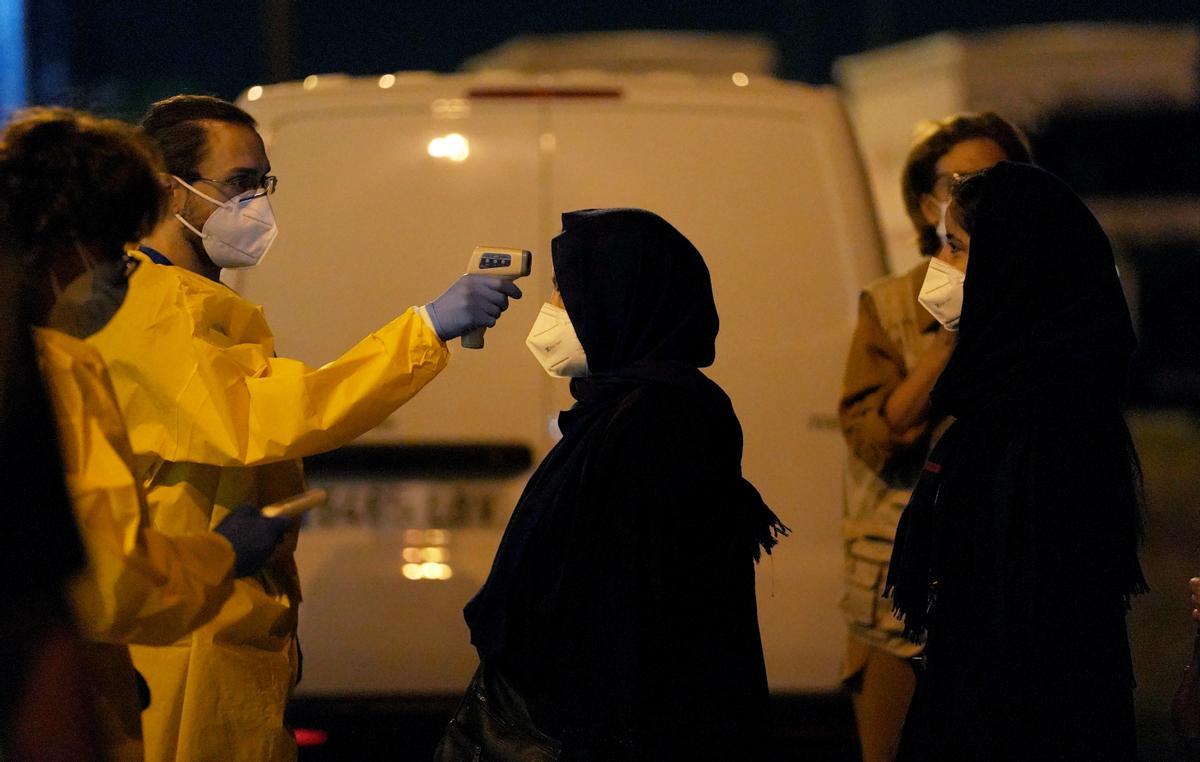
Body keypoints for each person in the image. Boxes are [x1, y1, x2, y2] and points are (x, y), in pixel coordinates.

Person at [86, 94, 521, 761]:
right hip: (187, 642)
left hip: (219, 630)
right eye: (238, 184)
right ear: (167, 190)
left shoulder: (188, 301)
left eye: (264, 183)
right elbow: (265, 415)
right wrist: (427, 328)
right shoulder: (155, 304)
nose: (257, 204)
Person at [442, 209, 787, 760]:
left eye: (562, 292)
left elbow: (626, 618)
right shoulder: (625, 410)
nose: (549, 312)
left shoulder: (656, 422)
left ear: (620, 297)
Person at [0, 107, 291, 759]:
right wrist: (218, 554)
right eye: (115, 250)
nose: (122, 274)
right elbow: (112, 583)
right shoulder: (51, 371)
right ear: (67, 242)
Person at [886, 162, 1148, 760]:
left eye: (956, 247)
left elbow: (1020, 637)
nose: (940, 267)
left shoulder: (1039, 424)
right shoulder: (1014, 400)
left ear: (1013, 264)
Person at [837, 111, 1032, 762]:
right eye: (960, 182)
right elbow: (875, 438)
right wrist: (948, 342)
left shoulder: (1046, 308)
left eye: (1000, 179)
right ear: (926, 208)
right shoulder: (892, 306)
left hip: (1011, 594)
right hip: (901, 602)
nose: (979, 194)